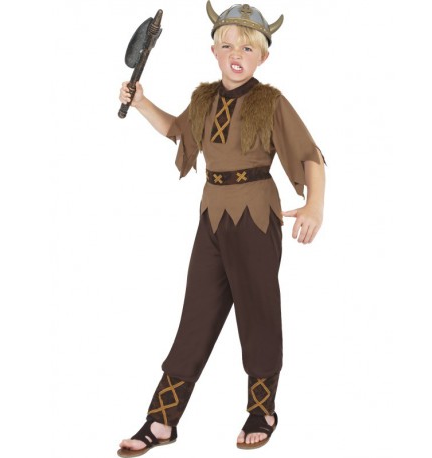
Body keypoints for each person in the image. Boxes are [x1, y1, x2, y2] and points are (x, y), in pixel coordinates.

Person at [117, 2, 325, 456]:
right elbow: (177, 131)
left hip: (255, 215)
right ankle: (162, 419)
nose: (236, 54)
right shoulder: (204, 100)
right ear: (214, 50)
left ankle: (262, 411)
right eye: (228, 45)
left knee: (257, 311)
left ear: (262, 56)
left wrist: (314, 205)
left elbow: (310, 155)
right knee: (197, 313)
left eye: (247, 48)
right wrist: (141, 102)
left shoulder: (271, 102)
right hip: (212, 215)